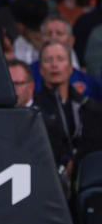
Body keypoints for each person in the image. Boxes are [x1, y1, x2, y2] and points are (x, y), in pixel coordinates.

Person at [33, 42, 102, 186]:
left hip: (83, 180)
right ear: (40, 69)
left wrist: (76, 162)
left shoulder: (89, 107)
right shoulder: (33, 110)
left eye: (60, 59)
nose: (54, 65)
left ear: (71, 68)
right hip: (44, 179)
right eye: (48, 60)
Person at [29, 14, 101, 100]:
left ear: (71, 41)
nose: (53, 38)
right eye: (48, 34)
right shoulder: (27, 76)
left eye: (59, 33)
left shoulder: (87, 82)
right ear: (40, 40)